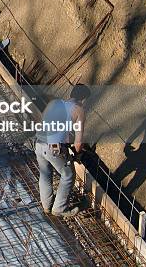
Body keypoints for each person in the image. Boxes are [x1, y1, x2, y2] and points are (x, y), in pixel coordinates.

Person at [36, 84, 90, 218]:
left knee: (45, 174)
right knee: (68, 175)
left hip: (38, 143)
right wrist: (77, 155)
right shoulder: (79, 110)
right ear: (83, 99)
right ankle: (59, 208)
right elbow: (78, 142)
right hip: (54, 148)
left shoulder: (55, 103)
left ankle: (47, 205)